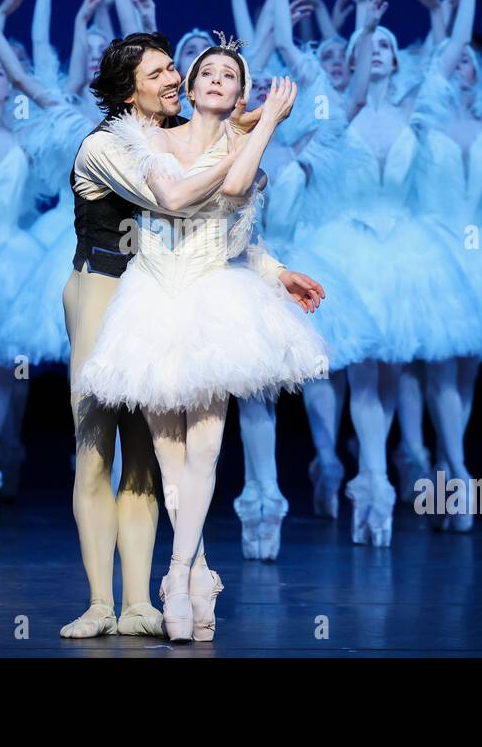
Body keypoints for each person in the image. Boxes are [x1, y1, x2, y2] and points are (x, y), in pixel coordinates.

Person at [74, 35, 328, 642]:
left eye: (229, 75)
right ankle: (201, 571)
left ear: (240, 91)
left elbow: (240, 222)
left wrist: (275, 271)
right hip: (154, 297)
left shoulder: (251, 157)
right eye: (201, 72)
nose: (214, 79)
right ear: (188, 90)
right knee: (168, 457)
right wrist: (258, 124)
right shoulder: (145, 142)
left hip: (215, 300)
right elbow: (186, 195)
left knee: (207, 449)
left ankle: (177, 572)